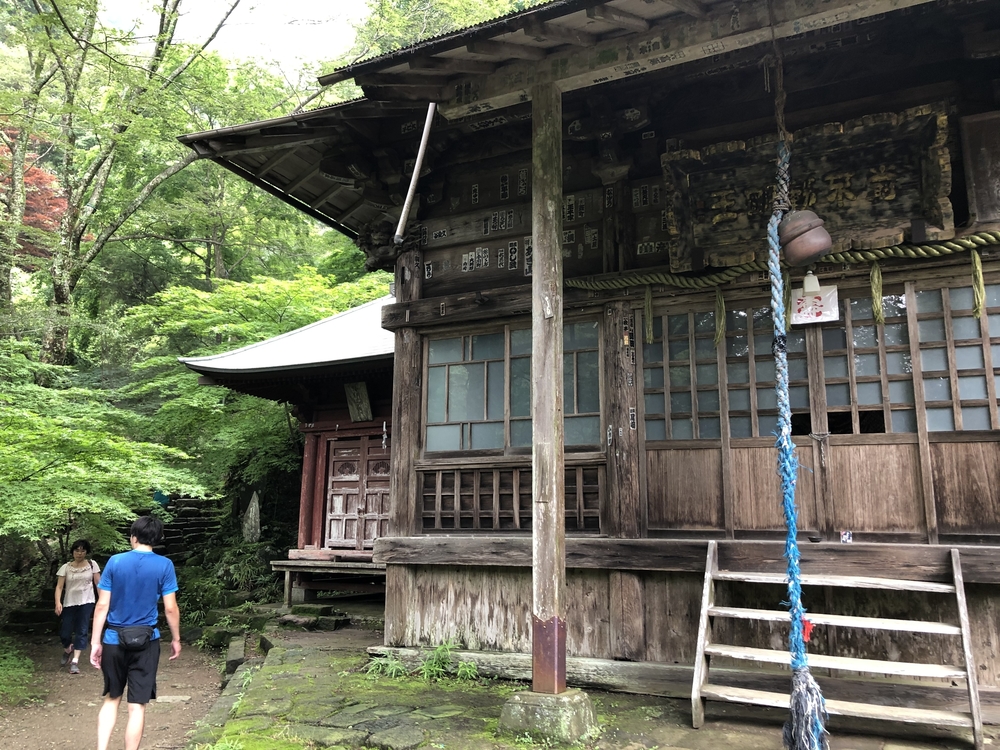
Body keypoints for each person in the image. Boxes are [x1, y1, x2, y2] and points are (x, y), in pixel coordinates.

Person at [90, 516, 181, 750]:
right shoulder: (165, 565)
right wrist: (176, 639)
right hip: (147, 641)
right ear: (157, 539)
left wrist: (95, 643)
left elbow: (102, 605)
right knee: (137, 705)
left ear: (133, 537)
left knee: (112, 698)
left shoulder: (115, 562)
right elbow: (170, 608)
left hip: (113, 639)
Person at [54, 539, 101, 675]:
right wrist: (58, 602)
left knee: (82, 630)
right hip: (69, 602)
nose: (79, 553)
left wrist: (102, 601)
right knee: (65, 632)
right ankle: (68, 648)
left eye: (82, 550)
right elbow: (59, 586)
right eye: (77, 550)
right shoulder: (66, 567)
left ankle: (75, 661)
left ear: (86, 552)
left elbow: (98, 584)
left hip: (87, 601)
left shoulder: (92, 565)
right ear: (72, 551)